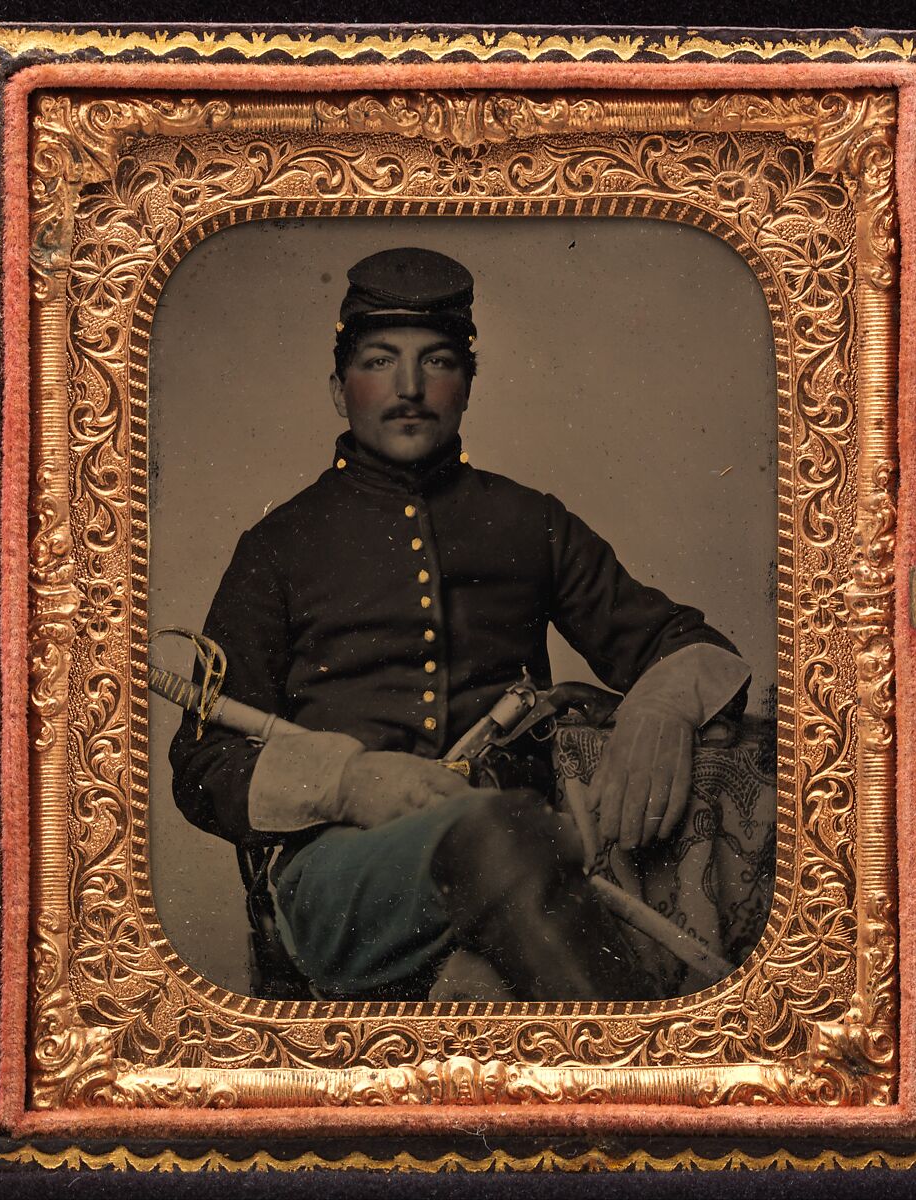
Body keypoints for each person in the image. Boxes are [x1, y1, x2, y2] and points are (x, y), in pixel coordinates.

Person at [169, 246, 751, 1003]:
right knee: (506, 835)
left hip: (519, 858)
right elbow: (201, 768)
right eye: (380, 361)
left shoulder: (527, 522)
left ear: (467, 385)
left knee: (517, 844)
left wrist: (662, 701)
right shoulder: (278, 546)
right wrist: (345, 784)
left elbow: (687, 644)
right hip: (342, 887)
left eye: (437, 362)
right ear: (338, 387)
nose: (409, 389)